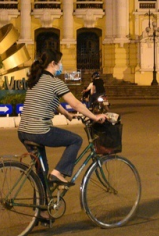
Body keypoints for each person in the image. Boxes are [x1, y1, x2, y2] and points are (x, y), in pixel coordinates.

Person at [18, 49, 107, 192]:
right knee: (76, 140)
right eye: (60, 63)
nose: (61, 66)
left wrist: (66, 114)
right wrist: (95, 117)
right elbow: (76, 104)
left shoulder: (35, 80)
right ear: (53, 64)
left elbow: (51, 100)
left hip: (23, 131)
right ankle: (58, 173)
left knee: (42, 169)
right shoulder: (55, 82)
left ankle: (42, 209)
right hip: (39, 131)